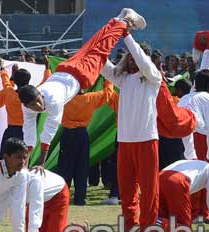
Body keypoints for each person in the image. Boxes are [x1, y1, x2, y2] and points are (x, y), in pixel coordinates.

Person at [19, 10, 144, 168]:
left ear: (40, 94)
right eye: (33, 105)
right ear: (25, 105)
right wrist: (25, 162)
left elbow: (49, 131)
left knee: (103, 49)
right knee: (93, 43)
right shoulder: (26, 106)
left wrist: (40, 163)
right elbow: (28, 131)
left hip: (81, 74)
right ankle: (116, 19)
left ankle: (125, 20)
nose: (38, 106)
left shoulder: (52, 100)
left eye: (38, 100)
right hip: (66, 68)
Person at [99, 22, 162, 232]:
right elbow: (101, 64)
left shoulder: (153, 78)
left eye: (137, 57)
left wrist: (126, 35)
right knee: (127, 190)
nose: (133, 61)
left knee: (149, 189)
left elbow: (144, 64)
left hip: (147, 140)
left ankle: (149, 229)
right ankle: (130, 228)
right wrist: (99, 42)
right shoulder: (123, 79)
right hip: (125, 142)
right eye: (130, 57)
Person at [179, 49, 209, 220]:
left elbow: (204, 72)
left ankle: (195, 212)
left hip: (188, 138)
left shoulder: (187, 96)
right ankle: (203, 212)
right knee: (206, 177)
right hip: (203, 139)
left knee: (192, 175)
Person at [58, 82, 118, 205]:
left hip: (67, 135)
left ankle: (61, 197)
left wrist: (48, 71)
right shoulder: (90, 98)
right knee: (82, 167)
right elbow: (108, 93)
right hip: (82, 135)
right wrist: (108, 79)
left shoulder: (63, 98)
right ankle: (80, 198)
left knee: (65, 167)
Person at [157, 159, 209, 232]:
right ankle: (155, 222)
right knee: (185, 230)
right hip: (177, 181)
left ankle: (152, 221)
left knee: (166, 218)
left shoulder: (195, 163)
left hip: (160, 177)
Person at [23, 168, 70, 232]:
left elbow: (34, 214)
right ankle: (53, 229)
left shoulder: (33, 181)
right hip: (40, 199)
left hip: (58, 196)